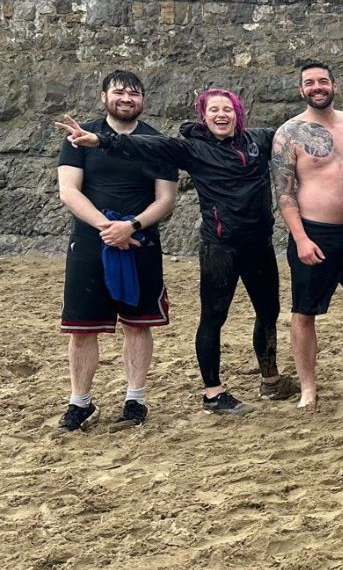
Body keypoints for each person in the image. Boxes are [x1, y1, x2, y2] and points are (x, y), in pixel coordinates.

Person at [57, 88, 289, 413]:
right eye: (213, 110)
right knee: (213, 318)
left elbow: (296, 132)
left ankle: (271, 379)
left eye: (227, 109)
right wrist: (100, 141)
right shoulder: (192, 149)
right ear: (204, 116)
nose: (221, 115)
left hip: (259, 245)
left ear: (238, 112)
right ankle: (212, 392)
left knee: (269, 312)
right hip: (219, 247)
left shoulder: (259, 141)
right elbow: (144, 145)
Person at [53, 70, 179, 430]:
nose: (127, 98)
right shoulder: (78, 138)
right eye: (119, 92)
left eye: (134, 93)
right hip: (91, 244)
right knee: (82, 328)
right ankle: (80, 402)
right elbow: (69, 191)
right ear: (104, 96)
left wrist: (131, 226)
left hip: (141, 242)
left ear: (143, 100)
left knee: (138, 326)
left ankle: (135, 400)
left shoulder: (159, 143)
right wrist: (107, 228)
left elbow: (166, 198)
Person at [270, 62, 343, 409]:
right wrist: (300, 237)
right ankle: (308, 387)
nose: (317, 87)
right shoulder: (289, 133)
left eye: (323, 81)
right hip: (315, 232)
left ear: (334, 84)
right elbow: (283, 193)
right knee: (304, 312)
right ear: (301, 90)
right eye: (309, 83)